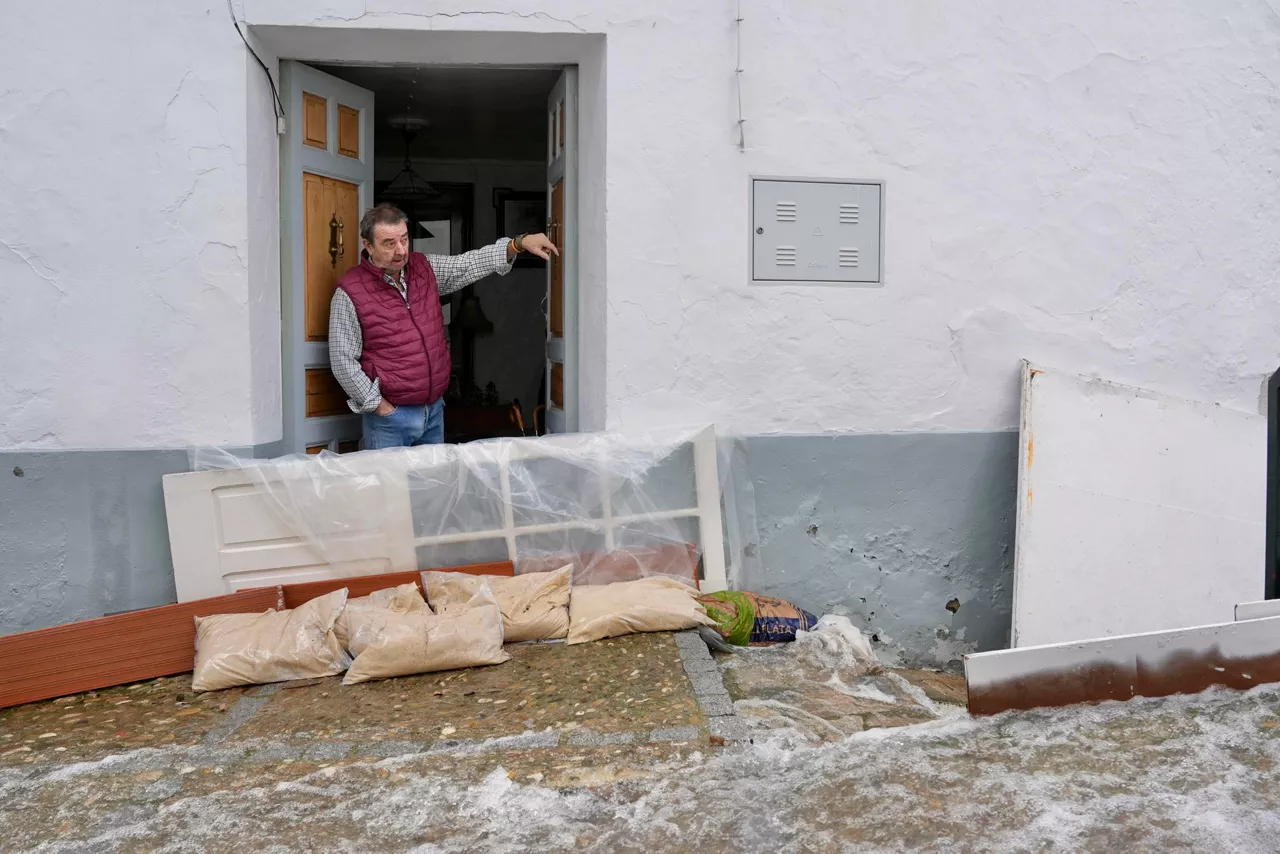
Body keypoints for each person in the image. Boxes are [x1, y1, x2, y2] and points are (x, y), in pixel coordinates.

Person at [329, 202, 558, 449]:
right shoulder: (350, 292)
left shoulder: (424, 269)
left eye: (404, 240)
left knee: (434, 487)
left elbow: (467, 264)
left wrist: (517, 244)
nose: (401, 250)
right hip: (390, 422)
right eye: (389, 243)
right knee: (389, 489)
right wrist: (380, 406)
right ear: (368, 245)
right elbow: (343, 362)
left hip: (434, 414)